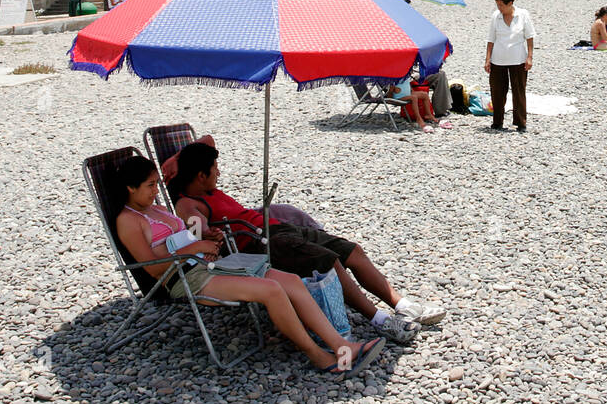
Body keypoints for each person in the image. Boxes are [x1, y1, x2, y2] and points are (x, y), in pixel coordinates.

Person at [109, 155, 386, 376]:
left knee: (288, 279)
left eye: (157, 183)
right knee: (272, 290)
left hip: (207, 264)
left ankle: (342, 346)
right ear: (130, 188)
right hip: (185, 278)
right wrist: (194, 249)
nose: (156, 190)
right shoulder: (129, 221)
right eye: (149, 185)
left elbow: (182, 237)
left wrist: (204, 236)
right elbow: (154, 269)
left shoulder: (154, 209)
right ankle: (319, 356)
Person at [167, 140, 439, 343]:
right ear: (200, 175)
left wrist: (175, 161)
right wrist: (204, 231)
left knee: (352, 251)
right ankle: (380, 320)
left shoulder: (206, 186)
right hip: (261, 244)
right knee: (329, 262)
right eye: (215, 169)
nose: (219, 172)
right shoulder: (189, 202)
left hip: (279, 228)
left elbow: (207, 141)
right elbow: (193, 223)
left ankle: (403, 305)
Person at [485, 0, 535, 133]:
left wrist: (529, 57)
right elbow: (490, 39)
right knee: (497, 92)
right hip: (498, 60)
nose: (499, 8)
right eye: (497, 4)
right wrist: (487, 59)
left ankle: (520, 122)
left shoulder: (523, 15)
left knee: (519, 92)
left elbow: (530, 37)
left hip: (518, 59)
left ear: (510, 3)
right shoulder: (496, 16)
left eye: (501, 5)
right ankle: (497, 121)